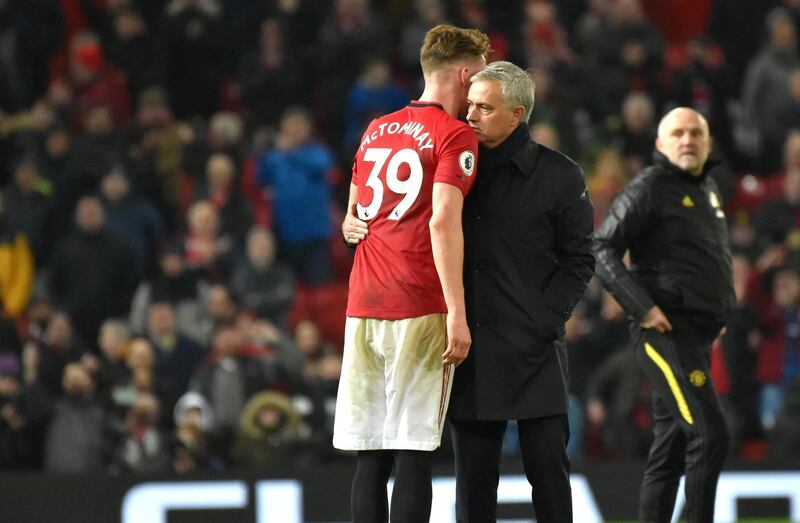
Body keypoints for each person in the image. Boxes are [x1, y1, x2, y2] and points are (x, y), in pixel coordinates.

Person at [334, 24, 489, 523]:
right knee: (413, 449)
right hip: (419, 300)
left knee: (371, 455)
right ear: (464, 73)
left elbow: (355, 213)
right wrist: (457, 312)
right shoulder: (455, 133)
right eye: (480, 78)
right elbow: (443, 219)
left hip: (363, 302)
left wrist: (349, 221)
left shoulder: (377, 126)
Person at [450, 61, 594, 522]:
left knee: (549, 473)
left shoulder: (560, 175)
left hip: (536, 351)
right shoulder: (453, 172)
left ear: (517, 114)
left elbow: (580, 260)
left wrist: (544, 320)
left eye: (484, 107)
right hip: (470, 347)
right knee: (473, 485)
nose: (470, 114)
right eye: (469, 103)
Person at [595, 107, 734, 523]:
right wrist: (643, 307)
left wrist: (719, 308)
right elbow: (601, 249)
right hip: (665, 331)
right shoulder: (650, 186)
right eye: (678, 133)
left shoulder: (706, 187)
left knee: (670, 449)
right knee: (710, 435)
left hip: (697, 334)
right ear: (660, 144)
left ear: (708, 142)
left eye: (696, 133)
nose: (688, 140)